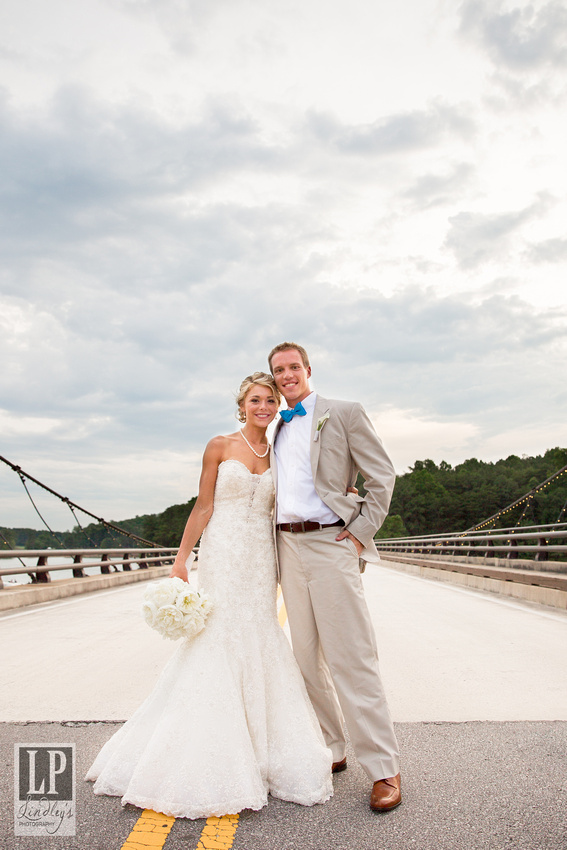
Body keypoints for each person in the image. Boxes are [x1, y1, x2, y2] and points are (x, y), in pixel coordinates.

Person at [86, 372, 333, 819]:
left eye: (270, 400)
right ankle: (208, 745)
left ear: (278, 406)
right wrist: (182, 561)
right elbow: (204, 506)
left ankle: (264, 747)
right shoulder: (219, 446)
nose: (263, 406)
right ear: (242, 405)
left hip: (262, 559)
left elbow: (304, 492)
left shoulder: (280, 447)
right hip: (222, 554)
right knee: (217, 637)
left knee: (259, 634)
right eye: (256, 399)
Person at [268, 342, 402, 812]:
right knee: (305, 659)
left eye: (292, 368)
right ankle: (333, 747)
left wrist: (360, 533)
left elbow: (381, 476)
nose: (286, 376)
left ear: (308, 369)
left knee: (351, 656)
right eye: (278, 370)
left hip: (331, 542)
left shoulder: (343, 412)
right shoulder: (271, 428)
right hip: (286, 547)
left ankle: (384, 767)